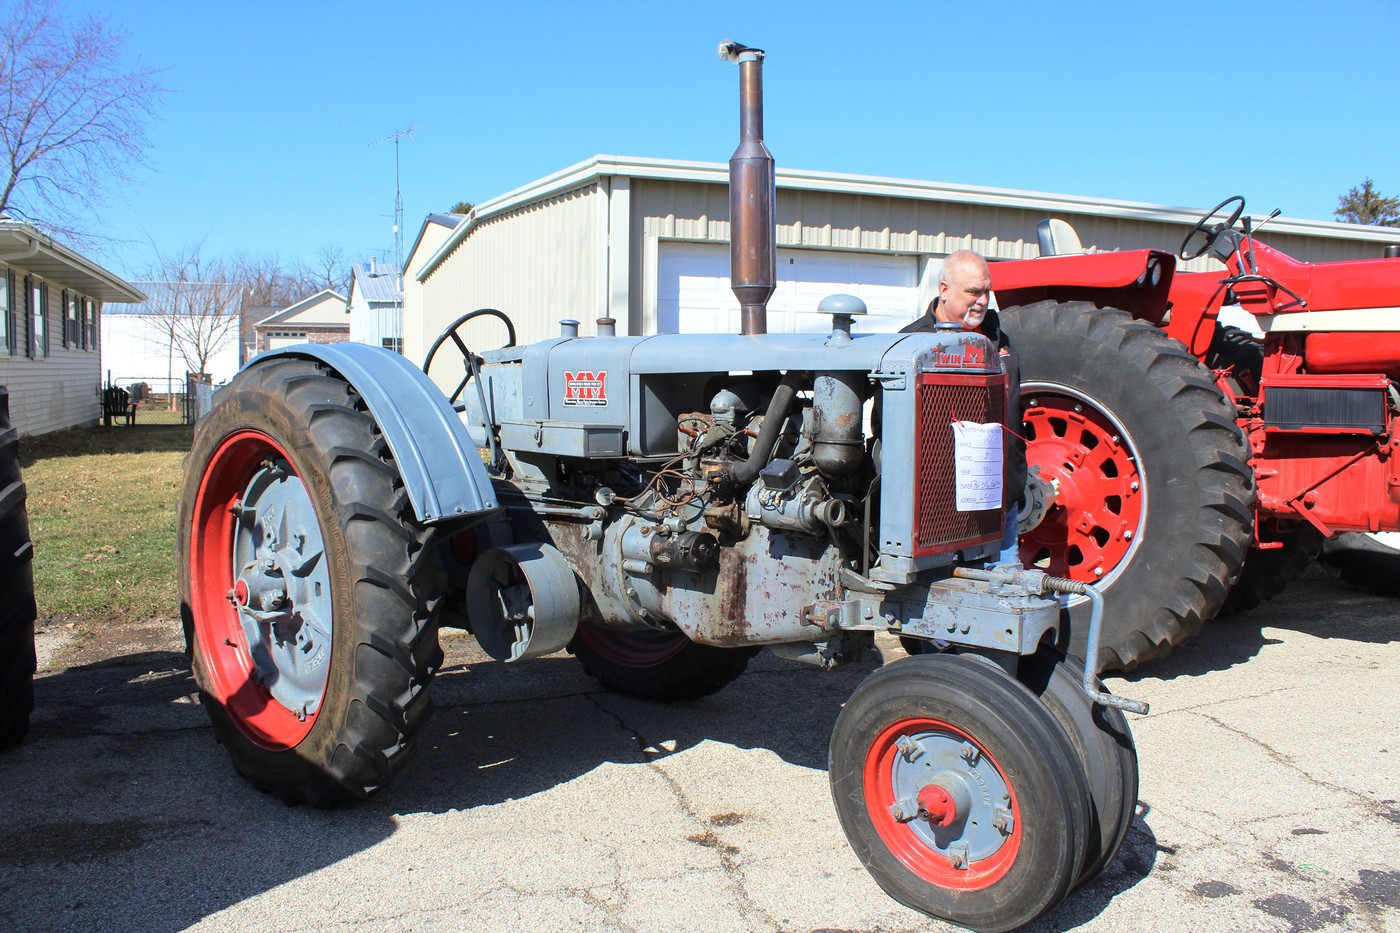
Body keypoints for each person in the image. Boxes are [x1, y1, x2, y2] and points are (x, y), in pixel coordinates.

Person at [902, 251, 1025, 568]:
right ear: (944, 289)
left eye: (986, 291)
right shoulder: (911, 343)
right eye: (973, 291)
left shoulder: (999, 340)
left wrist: (1016, 479)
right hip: (940, 511)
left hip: (1000, 502)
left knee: (1005, 587)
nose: (982, 301)